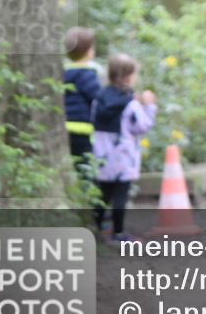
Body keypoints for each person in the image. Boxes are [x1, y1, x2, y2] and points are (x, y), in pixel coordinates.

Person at [91, 53, 157, 244]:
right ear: (129, 76)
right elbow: (142, 126)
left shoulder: (99, 98)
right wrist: (150, 107)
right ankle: (118, 234)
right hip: (123, 157)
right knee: (120, 195)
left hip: (101, 155)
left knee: (102, 194)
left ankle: (97, 228)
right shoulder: (131, 103)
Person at [63, 27, 103, 169]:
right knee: (85, 166)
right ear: (89, 51)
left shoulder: (63, 72)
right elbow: (97, 98)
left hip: (65, 127)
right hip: (82, 128)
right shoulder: (87, 74)